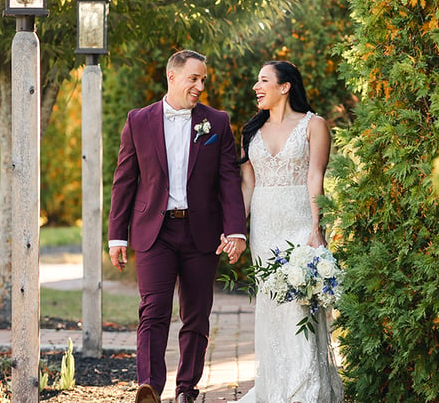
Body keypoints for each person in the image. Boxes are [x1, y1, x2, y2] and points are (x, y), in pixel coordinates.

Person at [108, 49, 247, 403]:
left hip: (201, 233)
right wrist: (116, 235)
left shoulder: (216, 122)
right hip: (155, 233)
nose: (200, 85)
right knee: (152, 310)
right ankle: (150, 388)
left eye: (203, 79)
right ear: (172, 77)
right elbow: (124, 180)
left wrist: (235, 230)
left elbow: (229, 180)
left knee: (196, 315)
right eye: (194, 78)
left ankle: (187, 388)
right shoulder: (138, 120)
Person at [238, 60, 344, 403]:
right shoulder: (250, 132)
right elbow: (247, 186)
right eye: (257, 80)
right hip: (265, 229)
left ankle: (306, 391)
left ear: (285, 87)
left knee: (301, 304)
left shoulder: (315, 125)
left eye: (263, 80)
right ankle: (274, 388)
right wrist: (236, 231)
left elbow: (316, 178)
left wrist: (316, 227)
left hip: (300, 224)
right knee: (272, 305)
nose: (256, 86)